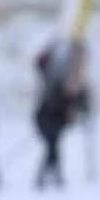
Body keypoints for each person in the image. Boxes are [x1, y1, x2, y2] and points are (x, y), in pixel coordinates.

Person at [33, 40, 87, 191]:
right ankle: (49, 177)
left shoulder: (70, 79)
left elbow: (78, 99)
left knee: (53, 148)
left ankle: (48, 177)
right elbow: (40, 64)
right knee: (52, 147)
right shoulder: (51, 78)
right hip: (47, 117)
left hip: (56, 119)